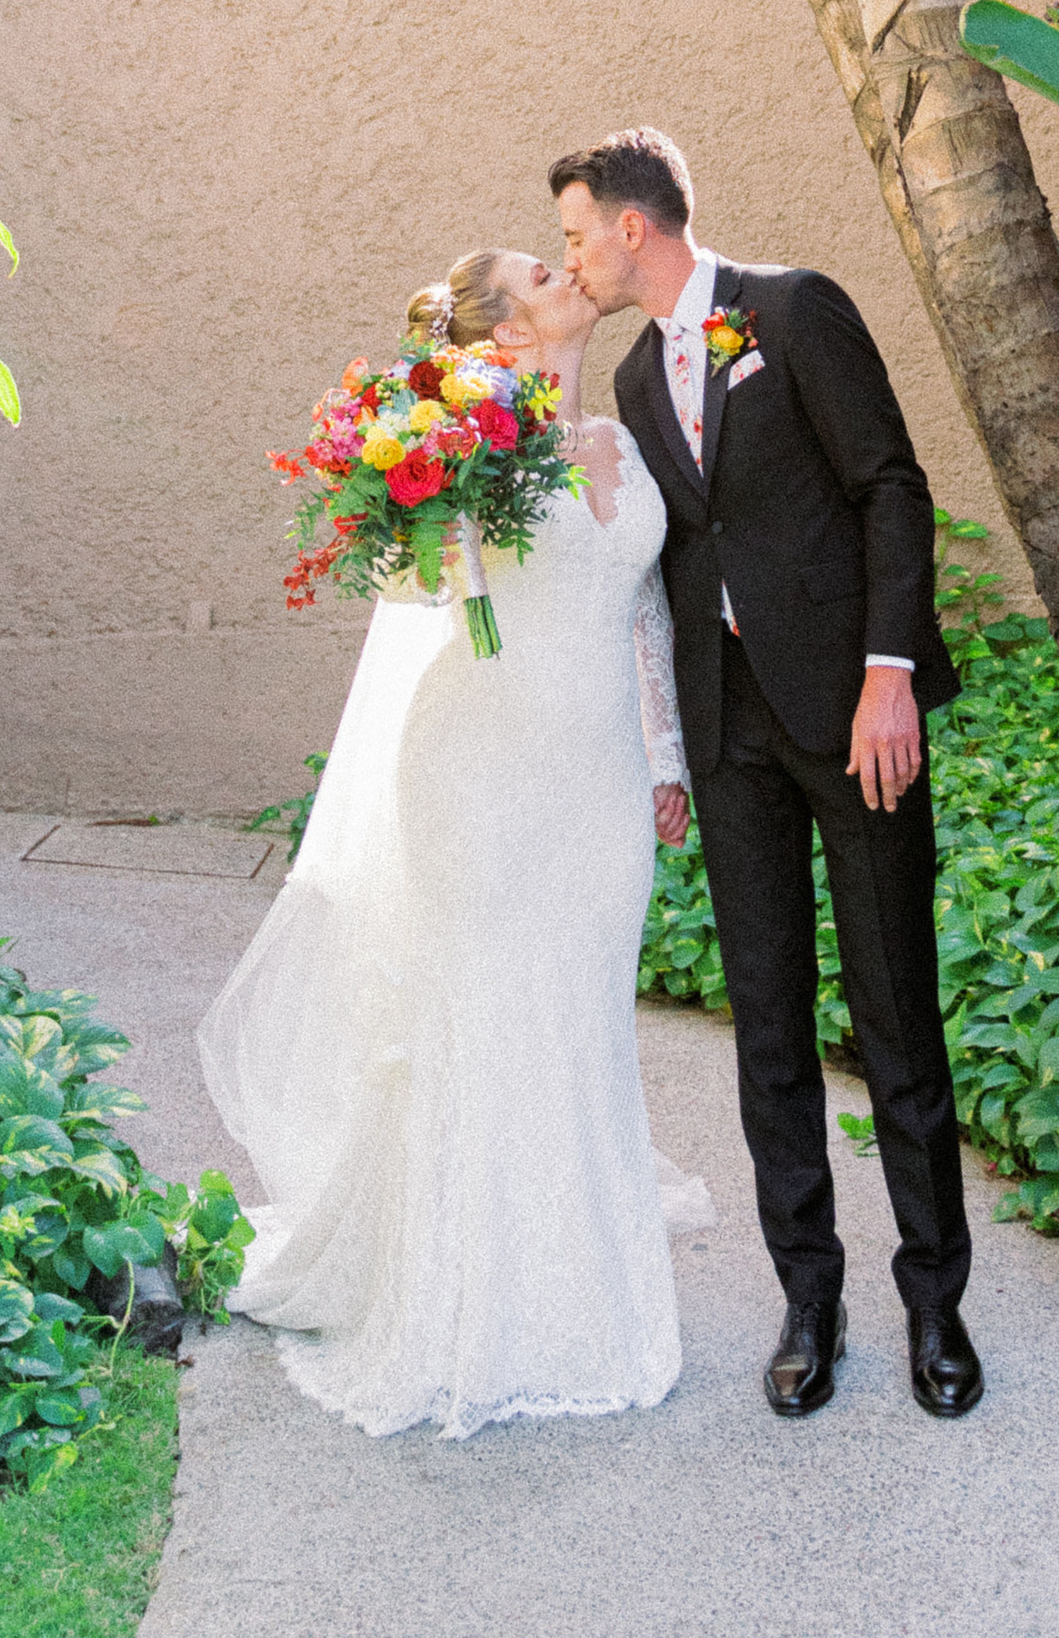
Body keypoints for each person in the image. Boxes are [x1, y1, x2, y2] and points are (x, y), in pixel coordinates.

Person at [199, 247, 710, 1439]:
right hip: (478, 773)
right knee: (482, 1011)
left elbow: (644, 611)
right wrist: (433, 489)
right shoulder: (473, 439)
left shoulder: (626, 427)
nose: (569, 268)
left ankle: (580, 1292)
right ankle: (471, 1308)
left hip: (595, 785)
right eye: (543, 270)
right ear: (500, 332)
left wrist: (666, 758)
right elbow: (417, 585)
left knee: (579, 1016)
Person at [552, 126, 980, 1425]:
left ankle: (936, 1309)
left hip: (855, 720)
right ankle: (813, 1303)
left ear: (634, 226)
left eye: (577, 230)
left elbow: (891, 488)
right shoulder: (633, 382)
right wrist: (671, 750)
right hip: (733, 734)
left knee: (898, 1017)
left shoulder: (793, 314)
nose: (571, 254)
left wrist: (891, 672)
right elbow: (676, 568)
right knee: (772, 1033)